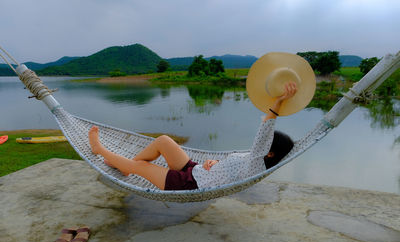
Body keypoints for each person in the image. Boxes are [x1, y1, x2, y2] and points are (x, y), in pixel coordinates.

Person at [88, 82, 297, 191]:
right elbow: (232, 168)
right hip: (196, 170)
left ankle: (101, 150)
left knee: (141, 167)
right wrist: (214, 162)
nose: (258, 142)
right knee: (163, 141)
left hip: (190, 185)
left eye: (264, 144)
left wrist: (279, 102)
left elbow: (265, 128)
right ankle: (126, 167)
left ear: (268, 153)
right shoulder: (254, 158)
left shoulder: (257, 165)